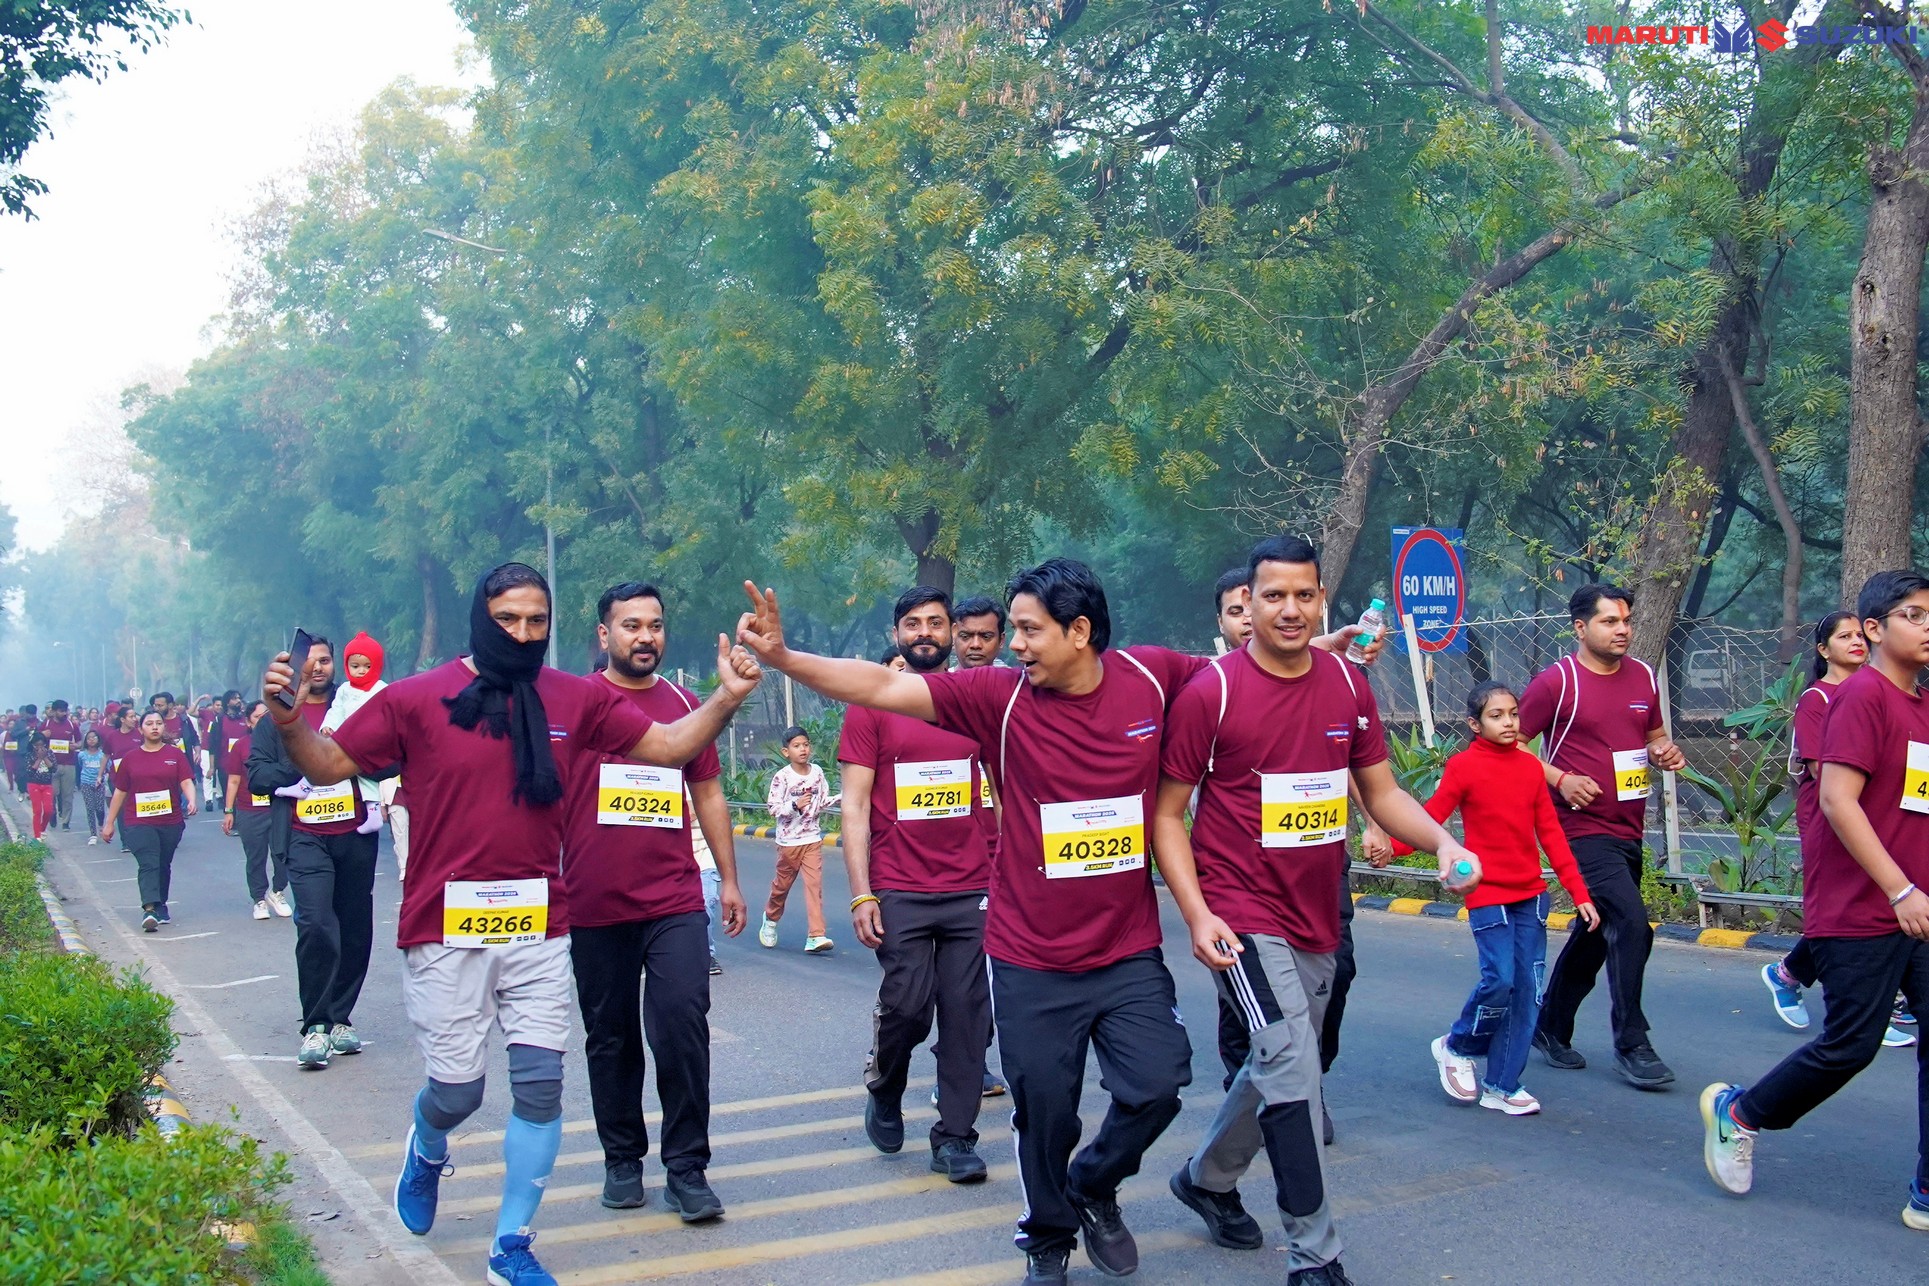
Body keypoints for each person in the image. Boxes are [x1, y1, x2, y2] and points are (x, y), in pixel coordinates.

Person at [261, 562, 761, 1286]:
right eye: (507, 620)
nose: (523, 634)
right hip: (445, 929)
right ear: (480, 617)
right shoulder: (417, 698)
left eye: (536, 621)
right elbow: (330, 763)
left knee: (540, 1088)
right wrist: (287, 721)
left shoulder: (575, 698)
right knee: (459, 1091)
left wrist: (728, 695)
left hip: (539, 928)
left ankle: (511, 1245)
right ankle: (428, 1143)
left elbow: (667, 747)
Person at [737, 561, 1204, 1286]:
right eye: (1010, 629)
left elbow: (1237, 676)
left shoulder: (1150, 675)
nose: (1010, 645)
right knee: (1044, 1111)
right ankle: (1046, 1238)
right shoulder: (998, 698)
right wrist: (785, 658)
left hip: (1126, 948)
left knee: (1158, 1086)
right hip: (1028, 954)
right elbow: (880, 686)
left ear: (1080, 632)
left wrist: (1322, 649)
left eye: (1028, 630)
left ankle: (1093, 1183)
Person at [1154, 537, 1483, 1286]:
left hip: (1316, 913)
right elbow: (1168, 814)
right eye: (1274, 596)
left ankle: (1205, 1179)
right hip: (1241, 911)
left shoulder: (1345, 684)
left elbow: (1382, 793)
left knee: (1281, 1060)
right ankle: (1315, 1254)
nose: (1290, 610)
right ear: (1249, 604)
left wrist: (1441, 842)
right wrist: (1198, 913)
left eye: (1304, 595)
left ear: (1322, 600)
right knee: (1289, 1064)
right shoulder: (1213, 693)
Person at [1701, 570, 1929, 1228]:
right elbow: (1836, 800)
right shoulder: (1861, 697)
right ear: (1874, 629)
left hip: (1918, 904)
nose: (1927, 626)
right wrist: (1899, 888)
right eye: (1913, 615)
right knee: (1851, 1045)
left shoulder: (1921, 705)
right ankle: (1741, 1112)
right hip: (1862, 907)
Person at [560, 582, 746, 1220]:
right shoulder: (579, 704)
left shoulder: (685, 705)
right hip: (593, 904)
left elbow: (708, 792)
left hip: (673, 901)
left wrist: (729, 878)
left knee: (682, 1028)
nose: (646, 637)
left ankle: (687, 1168)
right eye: (632, 625)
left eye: (656, 625)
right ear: (604, 633)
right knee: (610, 1038)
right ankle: (621, 1160)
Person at [840, 587, 993, 1183]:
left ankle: (955, 1136)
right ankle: (886, 1083)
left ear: (952, 632)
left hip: (971, 885)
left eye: (935, 622)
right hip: (899, 885)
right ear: (897, 633)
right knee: (907, 1003)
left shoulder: (975, 701)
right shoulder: (872, 705)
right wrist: (861, 892)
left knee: (968, 1014)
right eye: (913, 623)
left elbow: (1004, 790)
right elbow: (854, 807)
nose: (924, 631)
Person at [1394, 682, 1599, 1115]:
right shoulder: (1463, 767)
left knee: (1528, 991)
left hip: (1531, 897)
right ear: (1475, 724)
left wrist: (1578, 891)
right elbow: (1431, 818)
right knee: (1500, 980)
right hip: (1487, 893)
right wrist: (1390, 847)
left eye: (1513, 714)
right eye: (1496, 715)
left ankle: (1503, 1085)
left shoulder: (1529, 768)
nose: (1508, 723)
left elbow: (1551, 833)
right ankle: (1457, 1045)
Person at [1521, 582, 1687, 1090]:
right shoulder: (1557, 682)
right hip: (1577, 828)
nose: (1623, 630)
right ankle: (1632, 1043)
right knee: (1633, 924)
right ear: (1580, 627)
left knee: (1597, 929)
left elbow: (1655, 736)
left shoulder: (1642, 676)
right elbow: (1509, 745)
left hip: (1628, 826)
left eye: (1626, 621)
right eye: (1610, 621)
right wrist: (1560, 779)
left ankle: (1549, 1024)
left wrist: (1664, 752)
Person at [1759, 613, 1916, 1048]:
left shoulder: (1882, 693)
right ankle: (1863, 1007)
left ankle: (1790, 973)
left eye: (1858, 635)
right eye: (1843, 636)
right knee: (1848, 911)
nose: (1855, 642)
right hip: (1832, 822)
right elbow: (1824, 773)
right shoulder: (1818, 699)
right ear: (1823, 650)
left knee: (1877, 903)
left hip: (1883, 819)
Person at [247, 636, 383, 1069]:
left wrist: (350, 758)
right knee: (316, 924)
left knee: (355, 927)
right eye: (311, 661)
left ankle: (341, 1018)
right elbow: (257, 776)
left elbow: (394, 761)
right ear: (297, 668)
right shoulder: (278, 718)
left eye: (326, 660)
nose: (318, 667)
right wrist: (305, 765)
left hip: (356, 834)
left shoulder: (358, 706)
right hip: (303, 836)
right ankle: (316, 1025)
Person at [100, 710, 197, 932]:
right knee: (148, 862)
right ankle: (149, 908)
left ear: (164, 727)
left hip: (170, 821)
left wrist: (191, 800)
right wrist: (109, 823)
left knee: (163, 864)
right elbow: (120, 792)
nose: (155, 727)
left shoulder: (175, 755)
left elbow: (186, 781)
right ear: (141, 729)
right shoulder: (131, 758)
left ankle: (161, 903)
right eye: (149, 723)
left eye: (159, 723)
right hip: (138, 822)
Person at [758, 726, 835, 954]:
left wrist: (845, 797)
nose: (803, 749)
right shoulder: (782, 777)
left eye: (806, 745)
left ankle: (816, 935)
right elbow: (773, 808)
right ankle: (770, 919)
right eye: (796, 746)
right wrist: (795, 805)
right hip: (788, 843)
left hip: (812, 839)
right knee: (781, 887)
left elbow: (821, 802)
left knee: (814, 886)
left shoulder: (817, 772)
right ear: (786, 751)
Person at [224, 700, 291, 919]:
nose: (264, 721)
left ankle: (277, 891)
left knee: (283, 854)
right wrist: (229, 811)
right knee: (256, 857)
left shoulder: (283, 740)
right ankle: (259, 899)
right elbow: (234, 780)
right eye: (258, 717)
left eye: (267, 716)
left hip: (278, 807)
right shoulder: (241, 746)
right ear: (248, 722)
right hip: (250, 811)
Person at [40, 699, 80, 831]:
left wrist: (76, 746)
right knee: (52, 793)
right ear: (54, 711)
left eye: (65, 711)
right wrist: (42, 735)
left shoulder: (72, 725)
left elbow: (80, 742)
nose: (64, 713)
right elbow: (35, 741)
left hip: (69, 764)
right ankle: (52, 812)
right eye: (61, 711)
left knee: (67, 795)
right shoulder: (46, 724)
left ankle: (66, 822)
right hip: (51, 764)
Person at [951, 596, 1008, 668]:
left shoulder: (1014, 675)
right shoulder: (940, 675)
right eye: (965, 636)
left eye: (986, 637)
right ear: (953, 638)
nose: (976, 645)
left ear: (1001, 640)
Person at [76, 729, 111, 843]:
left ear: (98, 739)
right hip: (86, 783)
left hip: (100, 784)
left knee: (100, 808)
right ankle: (93, 834)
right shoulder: (82, 755)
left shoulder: (102, 755)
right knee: (90, 808)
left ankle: (101, 824)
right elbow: (80, 766)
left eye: (94, 737)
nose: (91, 740)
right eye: (89, 738)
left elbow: (108, 767)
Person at [23, 733, 55, 839]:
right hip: (34, 784)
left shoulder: (50, 753)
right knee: (37, 811)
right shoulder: (29, 755)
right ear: (32, 745)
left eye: (42, 745)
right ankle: (37, 837)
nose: (39, 747)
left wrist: (44, 757)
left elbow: (53, 768)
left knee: (48, 810)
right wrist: (38, 759)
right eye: (37, 745)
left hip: (47, 784)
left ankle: (42, 829)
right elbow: (30, 771)